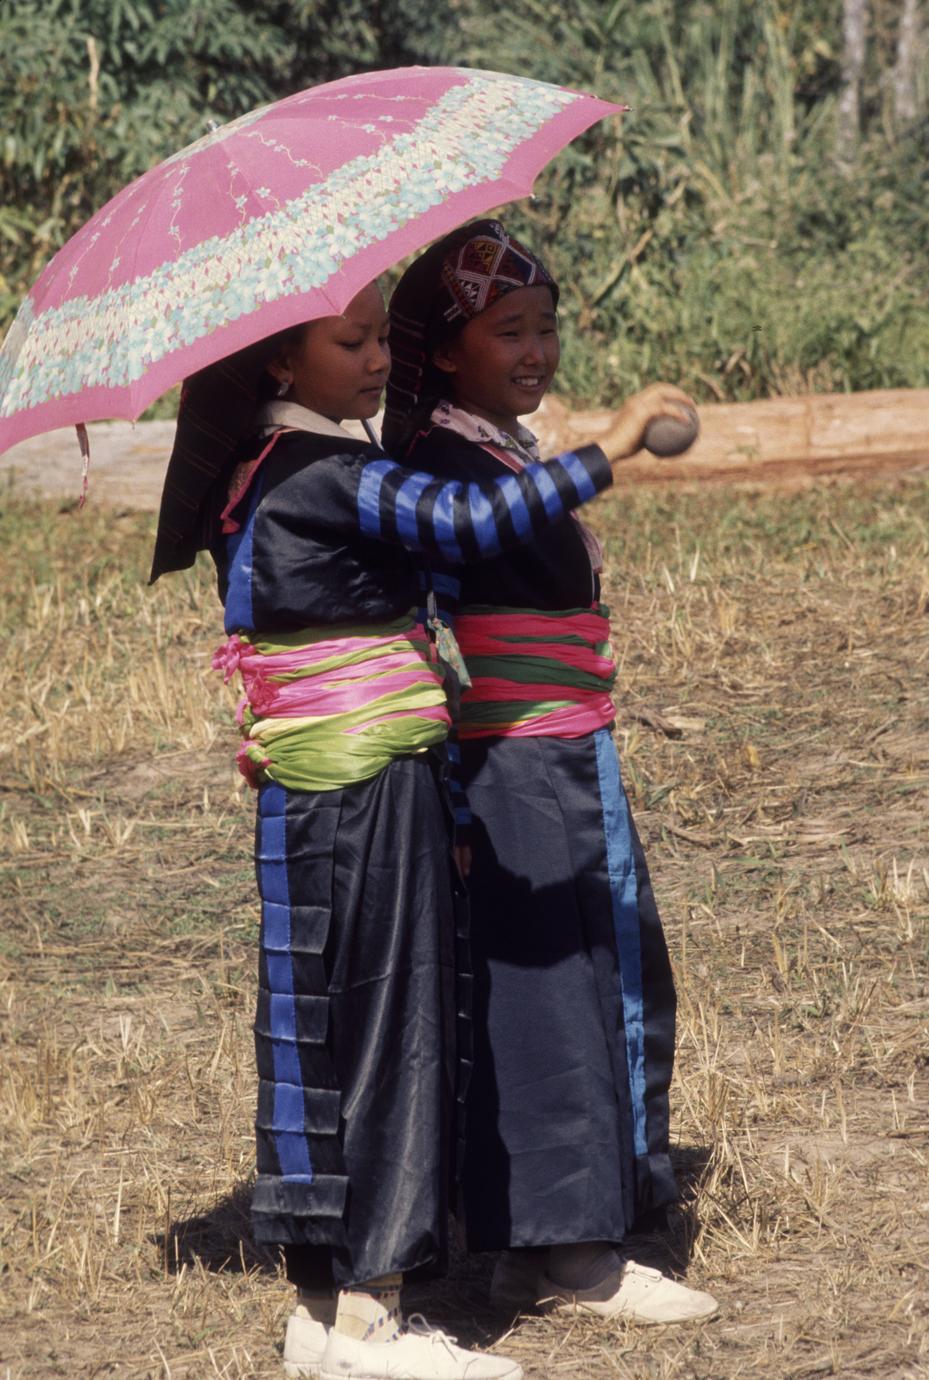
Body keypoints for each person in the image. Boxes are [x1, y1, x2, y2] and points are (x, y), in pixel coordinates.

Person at [158, 278, 689, 1380]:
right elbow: (471, 521)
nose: (374, 360)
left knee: (374, 1023)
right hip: (348, 800)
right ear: (275, 367)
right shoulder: (319, 476)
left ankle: (369, 1301)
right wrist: (615, 443)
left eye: (372, 338)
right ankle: (349, 1319)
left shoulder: (282, 472)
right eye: (348, 343)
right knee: (369, 1032)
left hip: (369, 789)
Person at [384, 221, 718, 1327]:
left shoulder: (491, 443)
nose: (535, 351)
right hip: (515, 756)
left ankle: (570, 1233)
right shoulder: (442, 463)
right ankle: (572, 1249)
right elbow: (483, 540)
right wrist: (611, 445)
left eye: (546, 329)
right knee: (549, 991)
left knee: (601, 971)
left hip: (563, 747)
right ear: (442, 351)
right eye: (507, 332)